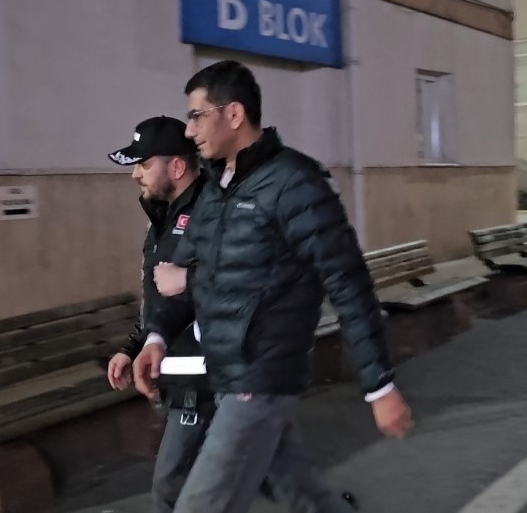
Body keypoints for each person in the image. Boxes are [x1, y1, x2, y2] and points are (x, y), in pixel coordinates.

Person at [132, 60, 414, 513]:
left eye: (197, 115)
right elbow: (185, 276)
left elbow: (346, 282)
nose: (189, 130)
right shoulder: (216, 190)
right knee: (301, 494)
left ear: (234, 114)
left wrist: (379, 385)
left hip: (259, 375)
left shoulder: (294, 181)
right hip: (224, 373)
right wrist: (157, 337)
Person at [104, 116, 215, 513]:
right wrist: (135, 345)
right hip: (182, 369)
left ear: (177, 166)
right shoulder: (162, 222)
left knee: (171, 483)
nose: (135, 174)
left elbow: (233, 284)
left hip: (206, 376)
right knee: (256, 470)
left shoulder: (212, 216)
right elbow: (162, 302)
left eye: (144, 164)